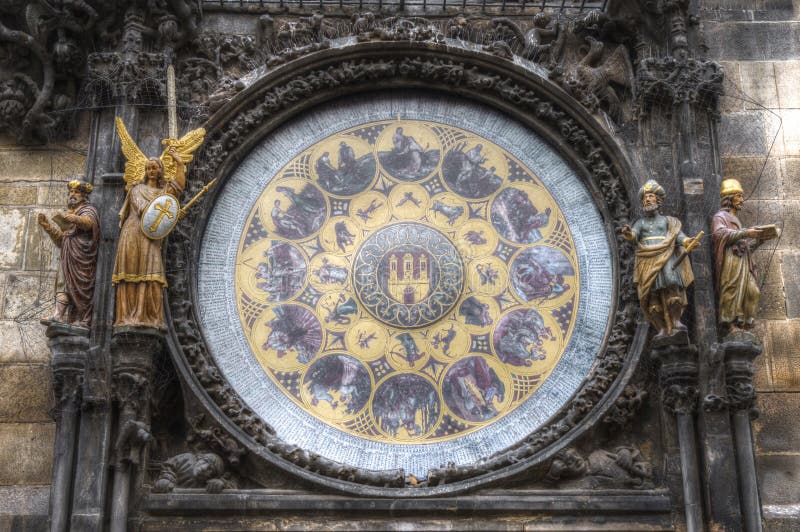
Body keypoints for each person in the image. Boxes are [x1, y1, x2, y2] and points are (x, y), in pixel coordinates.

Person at [112, 148, 184, 329]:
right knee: (131, 272)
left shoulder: (164, 192)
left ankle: (150, 317)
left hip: (152, 236)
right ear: (145, 171)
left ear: (161, 170)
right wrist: (165, 210)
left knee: (152, 273)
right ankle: (128, 315)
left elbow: (179, 187)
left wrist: (179, 163)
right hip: (134, 232)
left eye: (155, 168)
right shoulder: (137, 189)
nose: (152, 171)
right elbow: (144, 209)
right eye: (149, 168)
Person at [621, 180, 695, 338]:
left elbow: (677, 235)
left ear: (658, 200)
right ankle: (661, 327)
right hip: (646, 259)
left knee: (672, 284)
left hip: (666, 256)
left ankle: (675, 321)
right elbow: (634, 235)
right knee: (651, 293)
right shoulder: (640, 223)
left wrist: (687, 241)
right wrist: (629, 234)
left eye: (650, 197)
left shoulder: (668, 221)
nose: (647, 200)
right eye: (645, 198)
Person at [712, 178, 778, 333]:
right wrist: (746, 232)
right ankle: (729, 325)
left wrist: (759, 241)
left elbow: (744, 246)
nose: (742, 200)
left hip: (743, 260)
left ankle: (745, 324)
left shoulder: (736, 219)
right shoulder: (720, 217)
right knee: (732, 289)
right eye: (738, 196)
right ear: (729, 198)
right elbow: (719, 234)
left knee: (753, 291)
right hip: (731, 260)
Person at [37, 179, 100, 328]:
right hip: (67, 255)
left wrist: (76, 219)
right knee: (63, 284)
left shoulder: (88, 210)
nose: (72, 195)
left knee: (80, 287)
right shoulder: (70, 214)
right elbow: (62, 240)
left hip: (82, 257)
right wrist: (47, 227)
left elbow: (90, 223)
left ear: (84, 195)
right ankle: (58, 316)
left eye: (76, 192)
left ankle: (86, 319)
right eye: (71, 192)